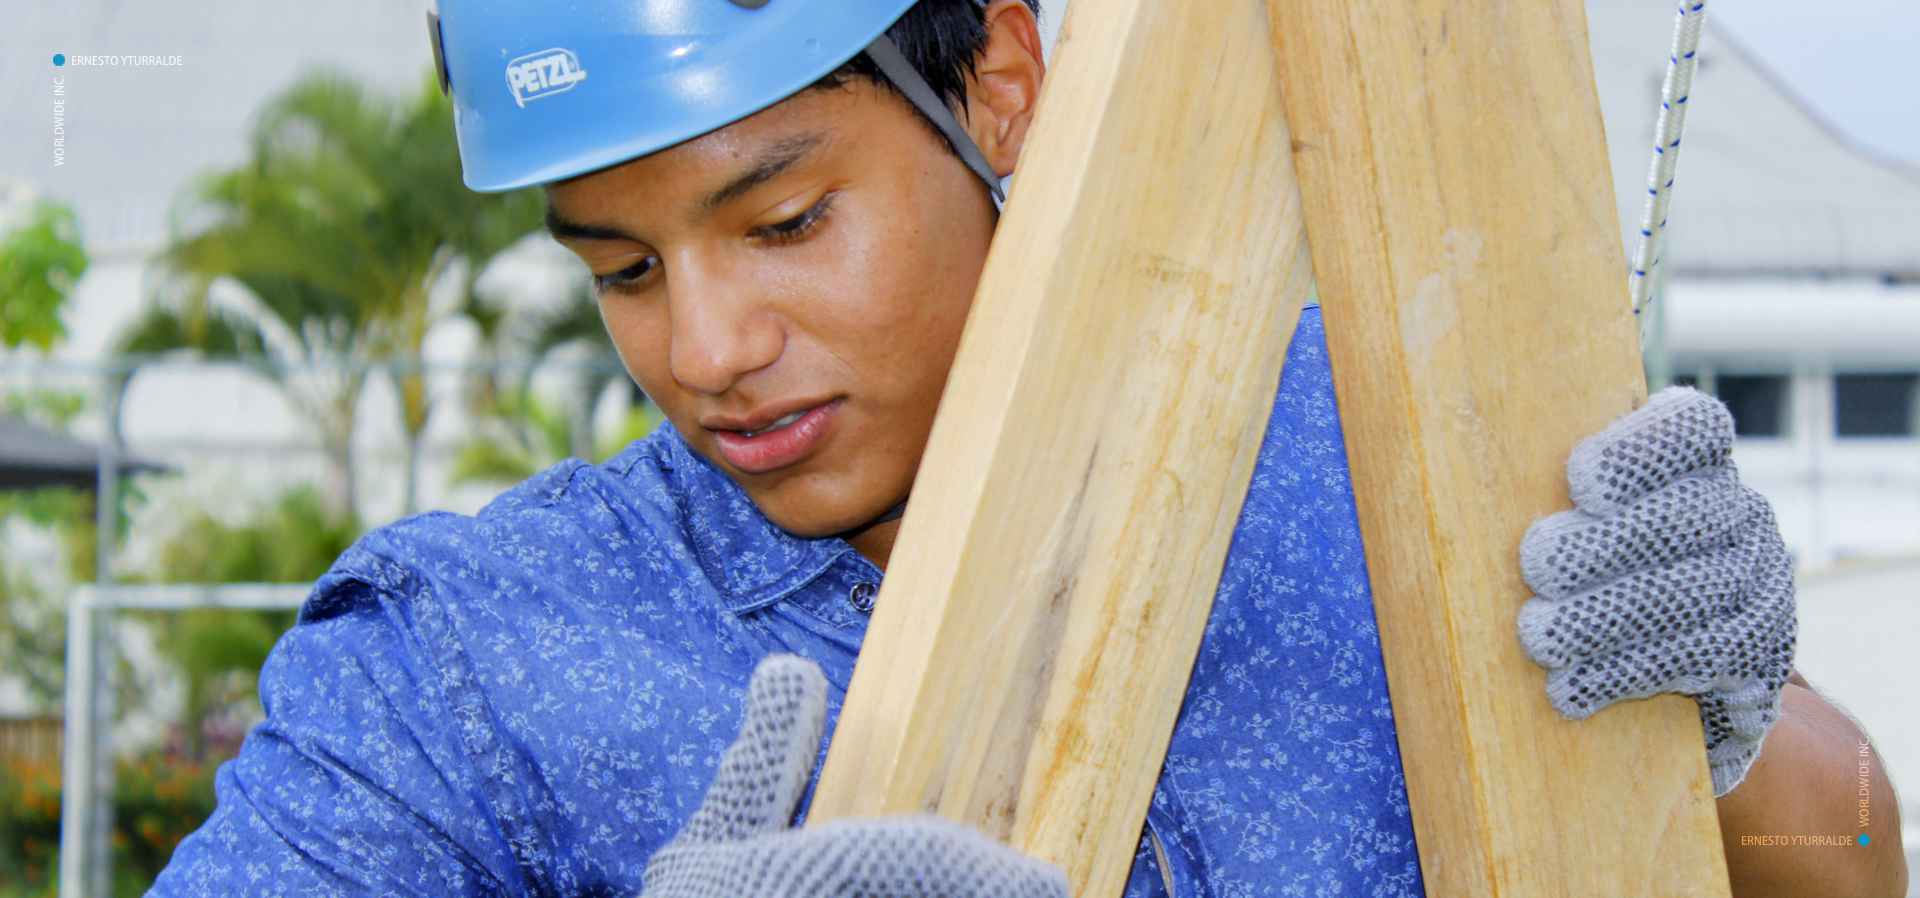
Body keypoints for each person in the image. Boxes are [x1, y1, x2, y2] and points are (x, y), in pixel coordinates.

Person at [150, 1, 1907, 896]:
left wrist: (1731, 721)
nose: (704, 348)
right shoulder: (467, 658)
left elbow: (1842, 852)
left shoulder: (1399, 449)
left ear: (999, 76)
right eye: (620, 266)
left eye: (782, 220)